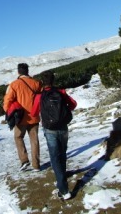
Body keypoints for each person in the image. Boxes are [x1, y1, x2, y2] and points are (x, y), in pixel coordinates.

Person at [31, 70, 77, 200]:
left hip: (49, 129)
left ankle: (63, 190)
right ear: (53, 80)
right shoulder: (61, 92)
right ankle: (62, 176)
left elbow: (34, 113)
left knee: (55, 157)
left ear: (42, 82)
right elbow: (73, 104)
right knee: (62, 153)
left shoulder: (40, 96)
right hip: (63, 127)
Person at [3, 63, 42, 171]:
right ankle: (36, 165)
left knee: (18, 137)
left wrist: (8, 112)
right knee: (34, 140)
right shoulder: (36, 83)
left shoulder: (14, 84)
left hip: (20, 118)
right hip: (34, 116)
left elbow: (8, 100)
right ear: (27, 71)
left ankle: (24, 160)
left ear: (18, 72)